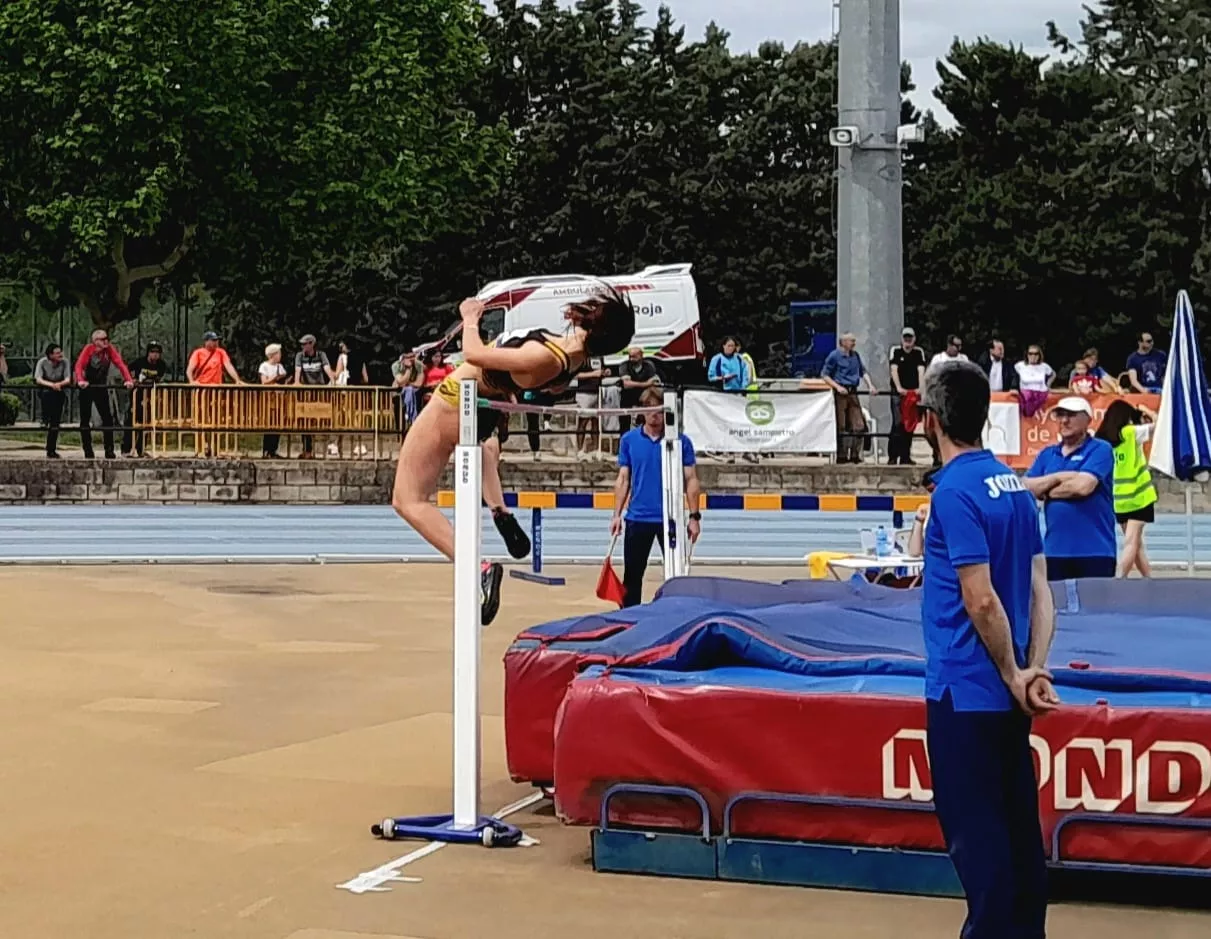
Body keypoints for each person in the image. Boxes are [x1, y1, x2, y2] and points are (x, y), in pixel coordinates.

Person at [391, 288, 635, 625]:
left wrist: (470, 318)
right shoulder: (574, 359)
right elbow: (550, 388)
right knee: (484, 452)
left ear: (592, 323)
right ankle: (499, 510)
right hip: (485, 406)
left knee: (408, 500)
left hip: (455, 401)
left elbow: (474, 355)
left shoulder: (545, 356)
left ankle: (480, 568)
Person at [917, 359, 1058, 939]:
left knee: (983, 856)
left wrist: (1007, 672)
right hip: (1008, 703)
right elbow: (1039, 591)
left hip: (965, 696)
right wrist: (1032, 670)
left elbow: (980, 600)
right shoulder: (1013, 487)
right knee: (1021, 849)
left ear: (932, 421)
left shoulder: (953, 493)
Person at [609, 387, 702, 606]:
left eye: (659, 410)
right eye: (650, 409)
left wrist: (694, 516)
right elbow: (623, 478)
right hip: (638, 518)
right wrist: (616, 515)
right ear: (642, 411)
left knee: (677, 577)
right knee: (632, 577)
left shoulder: (680, 442)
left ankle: (676, 616)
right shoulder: (629, 440)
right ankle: (629, 621)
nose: (655, 414)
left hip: (670, 518)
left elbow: (691, 480)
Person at [1024, 397, 1117, 581]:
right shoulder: (1047, 454)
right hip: (1054, 552)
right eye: (1060, 415)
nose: (1064, 420)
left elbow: (1083, 487)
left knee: (1095, 609)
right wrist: (1058, 477)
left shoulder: (1100, 449)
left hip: (1095, 552)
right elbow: (1026, 486)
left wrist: (1047, 491)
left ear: (1087, 420)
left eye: (1071, 415)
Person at [1096, 399, 1159, 578]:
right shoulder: (1131, 433)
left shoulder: (1101, 441)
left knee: (1136, 544)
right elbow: (1160, 424)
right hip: (1140, 496)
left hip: (1119, 500)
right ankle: (1119, 578)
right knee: (1132, 542)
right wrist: (1146, 409)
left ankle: (1149, 580)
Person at [73, 329, 135, 460]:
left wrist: (128, 379)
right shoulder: (89, 349)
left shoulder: (109, 350)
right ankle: (88, 450)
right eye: (102, 339)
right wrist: (80, 380)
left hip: (101, 387)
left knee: (107, 419)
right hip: (87, 387)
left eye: (107, 338)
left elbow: (120, 363)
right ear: (95, 341)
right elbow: (79, 366)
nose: (106, 341)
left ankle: (109, 450)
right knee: (85, 419)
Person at [821, 332, 878, 464]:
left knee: (858, 424)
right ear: (843, 342)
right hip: (840, 392)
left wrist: (870, 385)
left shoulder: (855, 356)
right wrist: (837, 387)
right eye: (851, 341)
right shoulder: (834, 356)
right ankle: (841, 455)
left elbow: (862, 371)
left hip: (853, 391)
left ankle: (855, 454)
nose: (854, 343)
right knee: (841, 424)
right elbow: (825, 375)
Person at [123, 342, 170, 457]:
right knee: (131, 420)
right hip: (137, 395)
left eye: (157, 352)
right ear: (148, 353)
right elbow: (126, 368)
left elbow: (159, 378)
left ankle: (141, 448)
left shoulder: (161, 365)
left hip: (150, 396)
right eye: (152, 352)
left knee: (146, 422)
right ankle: (126, 448)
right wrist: (131, 379)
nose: (155, 355)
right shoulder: (140, 362)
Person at [889, 327, 927, 465]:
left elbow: (921, 371)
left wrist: (920, 389)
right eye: (905, 338)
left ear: (914, 339)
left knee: (909, 424)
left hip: (912, 393)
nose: (908, 341)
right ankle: (893, 456)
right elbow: (894, 369)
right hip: (899, 393)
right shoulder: (896, 351)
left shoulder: (918, 352)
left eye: (910, 338)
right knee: (897, 423)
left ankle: (905, 456)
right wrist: (898, 387)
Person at [34, 344, 71, 459]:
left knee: (55, 422)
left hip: (59, 391)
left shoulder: (65, 362)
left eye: (60, 352)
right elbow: (38, 379)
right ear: (50, 355)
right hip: (46, 390)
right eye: (57, 353)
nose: (60, 355)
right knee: (47, 394)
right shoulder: (42, 362)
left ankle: (51, 449)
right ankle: (44, 417)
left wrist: (59, 384)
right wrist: (52, 385)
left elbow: (68, 378)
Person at [258, 343, 289, 458]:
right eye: (278, 353)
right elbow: (264, 381)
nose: (280, 355)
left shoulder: (280, 366)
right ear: (273, 355)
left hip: (279, 398)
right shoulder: (264, 366)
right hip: (268, 399)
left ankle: (273, 450)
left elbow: (284, 377)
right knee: (269, 424)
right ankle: (266, 450)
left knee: (278, 424)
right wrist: (275, 378)